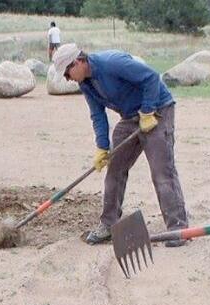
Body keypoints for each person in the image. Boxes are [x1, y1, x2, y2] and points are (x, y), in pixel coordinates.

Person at [51, 43, 190, 246]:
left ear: (78, 62)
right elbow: (97, 115)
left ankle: (178, 228)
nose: (67, 79)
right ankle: (108, 224)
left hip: (158, 110)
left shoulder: (112, 63)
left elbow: (151, 77)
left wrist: (148, 110)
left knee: (161, 171)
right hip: (130, 117)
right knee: (115, 169)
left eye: (66, 73)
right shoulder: (86, 84)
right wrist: (102, 147)